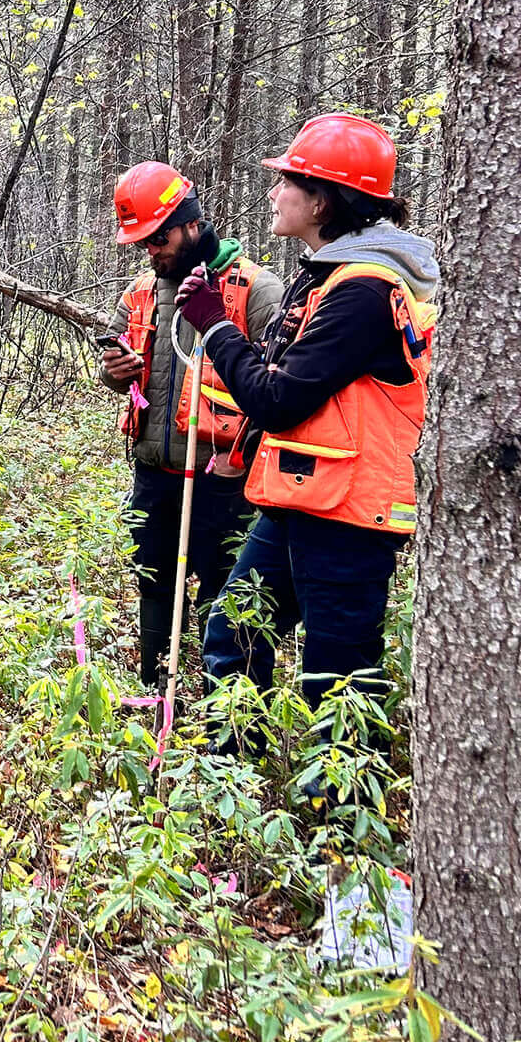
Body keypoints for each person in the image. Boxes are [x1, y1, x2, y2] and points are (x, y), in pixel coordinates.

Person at [172, 113, 438, 749]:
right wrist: (242, 450)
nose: (273, 193)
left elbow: (279, 397)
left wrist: (213, 326)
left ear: (320, 200)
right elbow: (282, 377)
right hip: (303, 496)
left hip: (351, 513)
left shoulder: (366, 290)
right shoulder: (327, 273)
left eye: (286, 182)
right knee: (235, 631)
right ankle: (229, 780)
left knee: (338, 677)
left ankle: (340, 830)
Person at [101, 162, 284, 686]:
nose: (149, 251)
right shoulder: (140, 292)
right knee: (154, 584)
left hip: (224, 480)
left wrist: (245, 454)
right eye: (141, 242)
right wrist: (116, 372)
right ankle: (157, 691)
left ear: (189, 224)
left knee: (226, 595)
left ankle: (226, 710)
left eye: (157, 239)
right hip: (154, 475)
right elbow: (117, 367)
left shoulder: (255, 290)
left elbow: (281, 387)